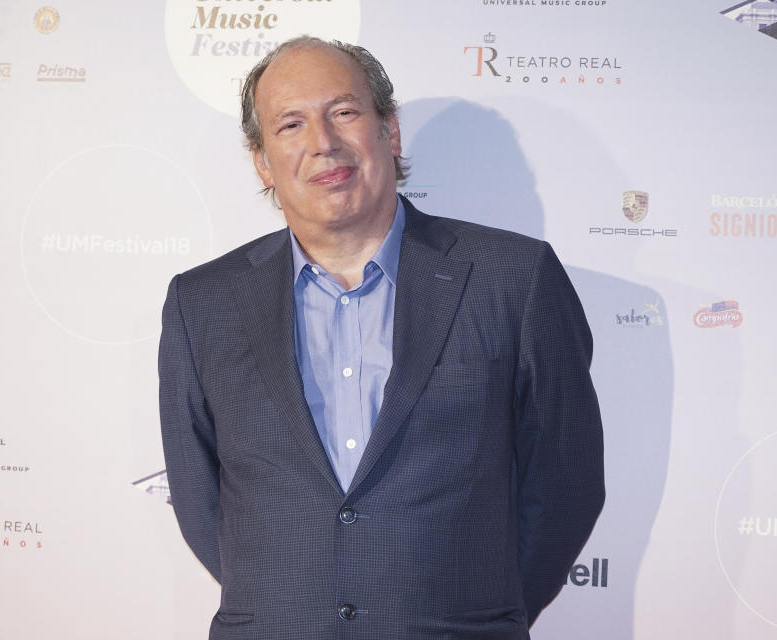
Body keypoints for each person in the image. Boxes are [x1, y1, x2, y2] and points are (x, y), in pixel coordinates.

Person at [159, 36, 604, 640]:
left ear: (389, 133)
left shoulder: (514, 279)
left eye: (343, 112)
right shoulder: (203, 302)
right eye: (290, 124)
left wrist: (474, 610)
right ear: (263, 161)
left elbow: (565, 483)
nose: (323, 142)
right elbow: (197, 496)